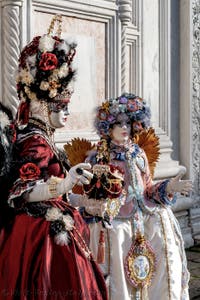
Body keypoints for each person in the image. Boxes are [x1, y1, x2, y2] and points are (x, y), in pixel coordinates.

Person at [0, 15, 108, 300]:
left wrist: (84, 199)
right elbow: (21, 192)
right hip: (37, 234)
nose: (68, 114)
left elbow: (57, 189)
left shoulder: (45, 138)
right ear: (42, 106)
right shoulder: (35, 142)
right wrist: (65, 183)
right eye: (62, 106)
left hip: (52, 221)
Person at [68, 93, 192, 300]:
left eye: (128, 123)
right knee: (115, 235)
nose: (124, 128)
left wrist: (169, 186)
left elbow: (148, 189)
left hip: (143, 212)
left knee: (163, 222)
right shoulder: (99, 156)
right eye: (118, 123)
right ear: (108, 127)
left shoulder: (138, 153)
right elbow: (92, 193)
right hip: (114, 217)